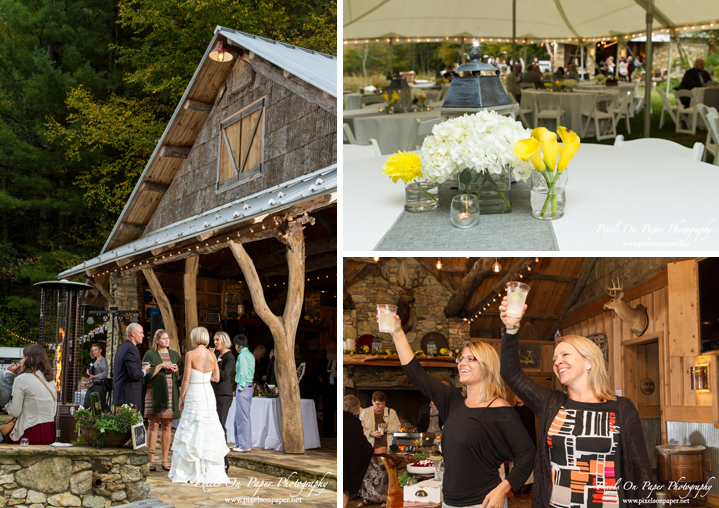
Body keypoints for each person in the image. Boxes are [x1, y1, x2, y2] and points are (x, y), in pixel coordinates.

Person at [498, 296, 655, 508]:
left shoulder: (622, 408)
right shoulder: (551, 403)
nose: (557, 361)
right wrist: (511, 327)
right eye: (554, 358)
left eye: (564, 354)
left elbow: (641, 472)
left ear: (589, 361)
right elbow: (510, 373)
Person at [389, 314, 535, 508]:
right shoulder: (453, 401)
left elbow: (527, 453)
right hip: (450, 502)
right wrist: (397, 332)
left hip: (482, 504)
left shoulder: (499, 409)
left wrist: (503, 488)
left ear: (486, 365)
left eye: (470, 358)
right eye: (461, 358)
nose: (461, 363)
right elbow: (417, 375)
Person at [169, 327, 230, 484]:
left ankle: (189, 468)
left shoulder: (190, 354)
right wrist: (204, 377)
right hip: (208, 394)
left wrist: (181, 397)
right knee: (208, 427)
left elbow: (186, 379)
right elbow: (216, 377)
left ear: (194, 337)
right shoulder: (212, 355)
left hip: (194, 392)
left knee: (192, 426)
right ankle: (209, 468)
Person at [142, 329, 183, 472]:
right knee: (153, 425)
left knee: (167, 426)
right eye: (164, 338)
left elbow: (181, 376)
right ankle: (151, 460)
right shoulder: (150, 354)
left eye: (167, 338)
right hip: (154, 394)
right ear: (157, 340)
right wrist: (160, 366)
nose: (166, 341)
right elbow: (144, 374)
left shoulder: (174, 355)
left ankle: (165, 460)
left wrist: (177, 370)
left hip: (171, 394)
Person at [4, 345, 57, 444]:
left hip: (30, 429)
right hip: (49, 430)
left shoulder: (22, 379)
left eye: (23, 358)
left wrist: (6, 407)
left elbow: (15, 411)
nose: (21, 361)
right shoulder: (51, 380)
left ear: (30, 359)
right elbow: (54, 410)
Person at [358, 391, 399, 506]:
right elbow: (360, 430)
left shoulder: (391, 412)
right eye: (378, 404)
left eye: (382, 403)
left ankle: (385, 499)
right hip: (370, 447)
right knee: (368, 474)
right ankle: (367, 498)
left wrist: (387, 427)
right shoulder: (365, 412)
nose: (380, 406)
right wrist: (371, 433)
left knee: (384, 474)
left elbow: (397, 427)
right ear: (372, 402)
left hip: (386, 447)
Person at [343, 395, 374, 508]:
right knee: (345, 486)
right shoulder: (353, 421)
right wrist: (372, 450)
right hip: (347, 458)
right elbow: (361, 443)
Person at [211, 331, 235, 471]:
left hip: (223, 395)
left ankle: (224, 460)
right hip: (213, 393)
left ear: (224, 341)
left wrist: (214, 362)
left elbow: (224, 375)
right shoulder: (217, 355)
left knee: (220, 425)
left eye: (217, 340)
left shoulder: (230, 357)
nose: (215, 342)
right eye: (214, 340)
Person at [113, 323, 151, 411]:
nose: (143, 336)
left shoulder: (123, 347)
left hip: (124, 397)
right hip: (128, 399)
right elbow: (135, 375)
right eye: (141, 333)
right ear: (133, 334)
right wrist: (145, 371)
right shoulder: (130, 349)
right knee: (128, 424)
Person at [232, 334, 254, 452]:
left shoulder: (242, 356)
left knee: (243, 416)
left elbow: (244, 372)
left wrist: (240, 386)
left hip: (243, 385)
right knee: (239, 416)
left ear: (237, 345)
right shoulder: (250, 355)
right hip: (248, 385)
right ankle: (239, 443)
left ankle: (244, 445)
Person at [319, 342, 338, 437]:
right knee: (327, 411)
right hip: (327, 389)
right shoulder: (323, 361)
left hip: (337, 389)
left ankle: (338, 433)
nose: (332, 350)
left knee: (338, 411)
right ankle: (327, 432)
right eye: (330, 348)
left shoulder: (339, 360)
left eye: (334, 348)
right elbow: (319, 373)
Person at [83, 343, 109, 413]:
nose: (94, 352)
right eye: (93, 350)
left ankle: (109, 416)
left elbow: (105, 373)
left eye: (96, 350)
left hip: (99, 385)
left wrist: (94, 376)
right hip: (92, 384)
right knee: (87, 403)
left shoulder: (103, 360)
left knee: (101, 404)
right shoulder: (95, 362)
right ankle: (87, 419)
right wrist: (89, 373)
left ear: (100, 350)